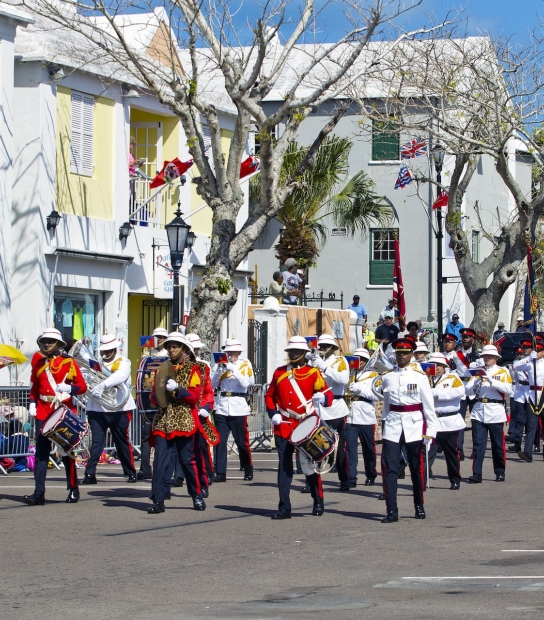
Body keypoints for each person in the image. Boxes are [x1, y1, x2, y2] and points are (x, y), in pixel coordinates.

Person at [265, 336, 333, 519]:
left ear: (304, 353)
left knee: (308, 466)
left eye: (297, 351)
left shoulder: (313, 372)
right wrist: (273, 414)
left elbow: (329, 396)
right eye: (291, 351)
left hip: (306, 425)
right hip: (285, 424)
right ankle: (284, 507)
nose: (293, 354)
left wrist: (323, 398)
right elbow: (269, 396)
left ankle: (318, 500)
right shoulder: (279, 372)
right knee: (284, 467)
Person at [376, 338, 439, 523]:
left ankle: (418, 505)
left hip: (414, 425)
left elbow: (428, 407)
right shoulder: (387, 377)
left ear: (412, 354)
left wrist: (431, 432)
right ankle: (391, 510)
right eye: (398, 353)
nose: (401, 356)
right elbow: (386, 405)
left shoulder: (419, 377)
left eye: (405, 353)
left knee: (416, 468)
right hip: (393, 426)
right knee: (390, 469)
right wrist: (385, 422)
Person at [23, 328, 87, 505]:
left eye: (50, 341)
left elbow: (82, 386)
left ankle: (74, 489)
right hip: (43, 410)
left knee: (67, 453)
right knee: (41, 454)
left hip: (62, 410)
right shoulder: (38, 360)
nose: (46, 344)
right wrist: (32, 402)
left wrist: (69, 389)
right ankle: (39, 493)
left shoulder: (68, 362)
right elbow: (35, 386)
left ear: (59, 344)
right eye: (44, 341)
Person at [148, 333, 209, 514]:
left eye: (175, 346)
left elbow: (193, 398)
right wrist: (156, 397)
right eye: (169, 346)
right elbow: (153, 395)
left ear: (183, 349)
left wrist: (178, 390)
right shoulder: (162, 369)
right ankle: (158, 500)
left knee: (186, 461)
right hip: (163, 420)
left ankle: (196, 494)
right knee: (159, 461)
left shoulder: (193, 370)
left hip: (183, 420)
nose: (171, 349)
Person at [81, 334, 138, 485]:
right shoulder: (95, 364)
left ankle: (130, 471)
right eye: (103, 351)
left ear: (115, 349)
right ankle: (90, 473)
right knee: (97, 442)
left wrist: (103, 385)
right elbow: (85, 378)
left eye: (108, 350)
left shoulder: (123, 362)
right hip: (97, 409)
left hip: (119, 408)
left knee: (121, 441)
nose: (105, 353)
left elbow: (122, 375)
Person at [308, 333, 351, 491]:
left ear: (333, 348)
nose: (323, 349)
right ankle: (311, 481)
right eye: (321, 346)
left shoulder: (340, 361)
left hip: (335, 409)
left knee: (339, 448)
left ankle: (344, 479)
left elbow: (343, 379)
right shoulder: (314, 362)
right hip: (317, 408)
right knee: (314, 446)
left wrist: (324, 366)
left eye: (326, 346)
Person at [465, 344, 513, 483]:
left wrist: (490, 380)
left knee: (497, 445)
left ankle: (499, 472)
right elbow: (467, 391)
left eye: (490, 356)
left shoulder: (502, 371)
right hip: (479, 409)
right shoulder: (478, 371)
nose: (487, 358)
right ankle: (477, 474)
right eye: (485, 356)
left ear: (496, 358)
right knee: (478, 444)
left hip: (495, 410)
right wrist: (476, 382)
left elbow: (508, 390)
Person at [211, 338, 255, 482]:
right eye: (228, 351)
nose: (230, 354)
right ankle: (220, 472)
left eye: (232, 352)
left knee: (241, 442)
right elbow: (212, 384)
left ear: (238, 352)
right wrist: (219, 370)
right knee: (220, 441)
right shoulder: (219, 364)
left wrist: (232, 369)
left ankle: (248, 467)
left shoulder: (244, 364)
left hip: (238, 407)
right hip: (222, 406)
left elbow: (247, 383)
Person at [426, 352, 466, 490]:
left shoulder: (452, 377)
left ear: (444, 366)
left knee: (451, 452)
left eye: (438, 365)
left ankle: (455, 479)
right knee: (427, 451)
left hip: (449, 420)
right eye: (432, 365)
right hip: (431, 421)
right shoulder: (425, 378)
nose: (435, 368)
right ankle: (423, 479)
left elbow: (460, 392)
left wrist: (437, 393)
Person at [137, 327, 169, 481]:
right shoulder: (147, 357)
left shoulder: (169, 357)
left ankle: (161, 468)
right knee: (146, 437)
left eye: (163, 337)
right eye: (157, 337)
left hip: (163, 402)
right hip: (148, 402)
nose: (160, 340)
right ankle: (144, 469)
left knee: (161, 438)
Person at [345, 348, 379, 487]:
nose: (358, 362)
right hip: (350, 414)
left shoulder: (373, 375)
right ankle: (351, 478)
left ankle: (370, 474)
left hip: (366, 414)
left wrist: (361, 390)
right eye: (356, 359)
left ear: (366, 361)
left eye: (361, 360)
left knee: (369, 448)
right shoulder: (348, 374)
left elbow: (376, 396)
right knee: (350, 449)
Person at [512, 337, 544, 463]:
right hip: (532, 395)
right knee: (531, 425)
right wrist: (530, 357)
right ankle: (527, 453)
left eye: (541, 349)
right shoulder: (530, 363)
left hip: (543, 394)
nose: (538, 352)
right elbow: (516, 366)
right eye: (537, 349)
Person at [507, 338, 532, 453]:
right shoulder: (519, 361)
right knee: (519, 418)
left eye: (527, 348)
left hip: (531, 390)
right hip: (520, 390)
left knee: (532, 420)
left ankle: (533, 443)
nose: (524, 350)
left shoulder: (536, 362)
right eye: (524, 348)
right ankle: (517, 443)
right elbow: (516, 369)